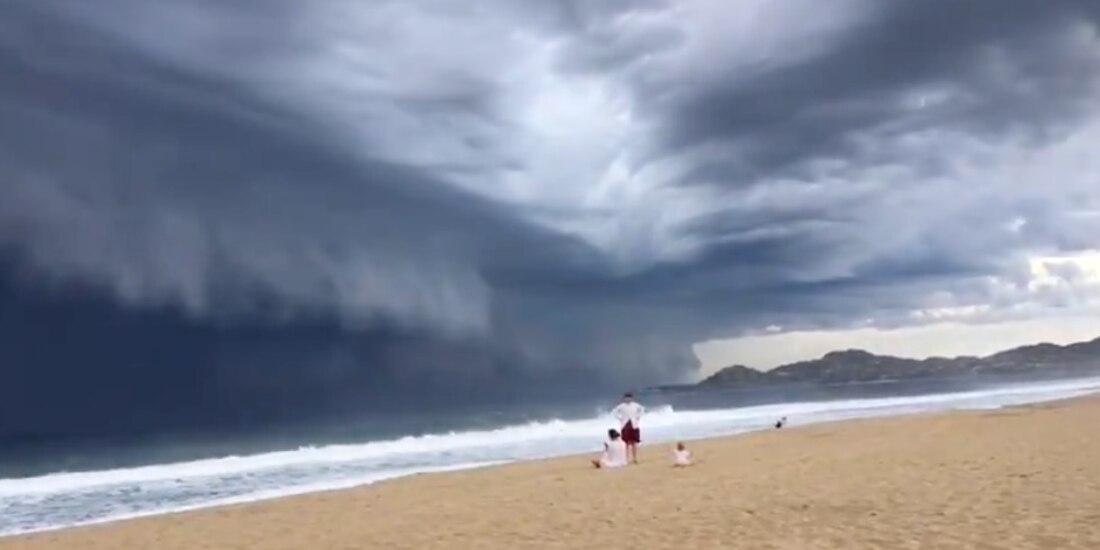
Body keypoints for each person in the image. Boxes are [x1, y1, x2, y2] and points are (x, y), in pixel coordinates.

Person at [612, 392, 645, 464]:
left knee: (634, 442)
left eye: (629, 398)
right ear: (624, 398)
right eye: (626, 398)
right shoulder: (621, 406)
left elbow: (642, 410)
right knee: (625, 443)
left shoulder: (635, 405)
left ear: (631, 398)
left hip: (634, 425)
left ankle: (634, 458)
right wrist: (620, 418)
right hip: (625, 425)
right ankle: (625, 459)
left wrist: (638, 417)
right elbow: (614, 412)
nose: (628, 399)